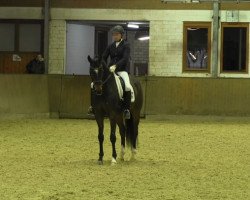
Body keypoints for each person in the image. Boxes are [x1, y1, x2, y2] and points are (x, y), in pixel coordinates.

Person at [88, 25, 132, 119]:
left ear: (121, 35)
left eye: (117, 34)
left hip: (122, 70)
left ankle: (126, 109)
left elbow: (125, 58)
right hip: (110, 71)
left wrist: (116, 66)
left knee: (127, 86)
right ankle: (92, 107)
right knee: (93, 84)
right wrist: (100, 64)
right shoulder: (110, 46)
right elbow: (104, 57)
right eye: (114, 34)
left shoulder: (126, 45)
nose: (115, 36)